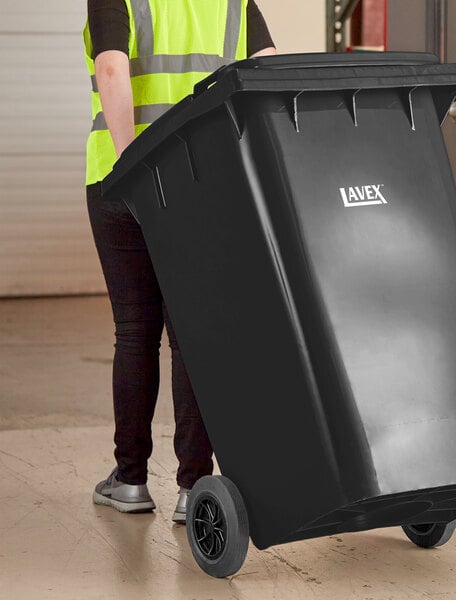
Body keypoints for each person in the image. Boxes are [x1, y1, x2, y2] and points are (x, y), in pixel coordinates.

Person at [84, 0, 276, 523]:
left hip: (120, 179)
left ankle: (129, 479)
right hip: (205, 178)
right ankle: (195, 487)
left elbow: (110, 67)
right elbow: (269, 70)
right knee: (192, 333)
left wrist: (132, 170)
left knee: (134, 330)